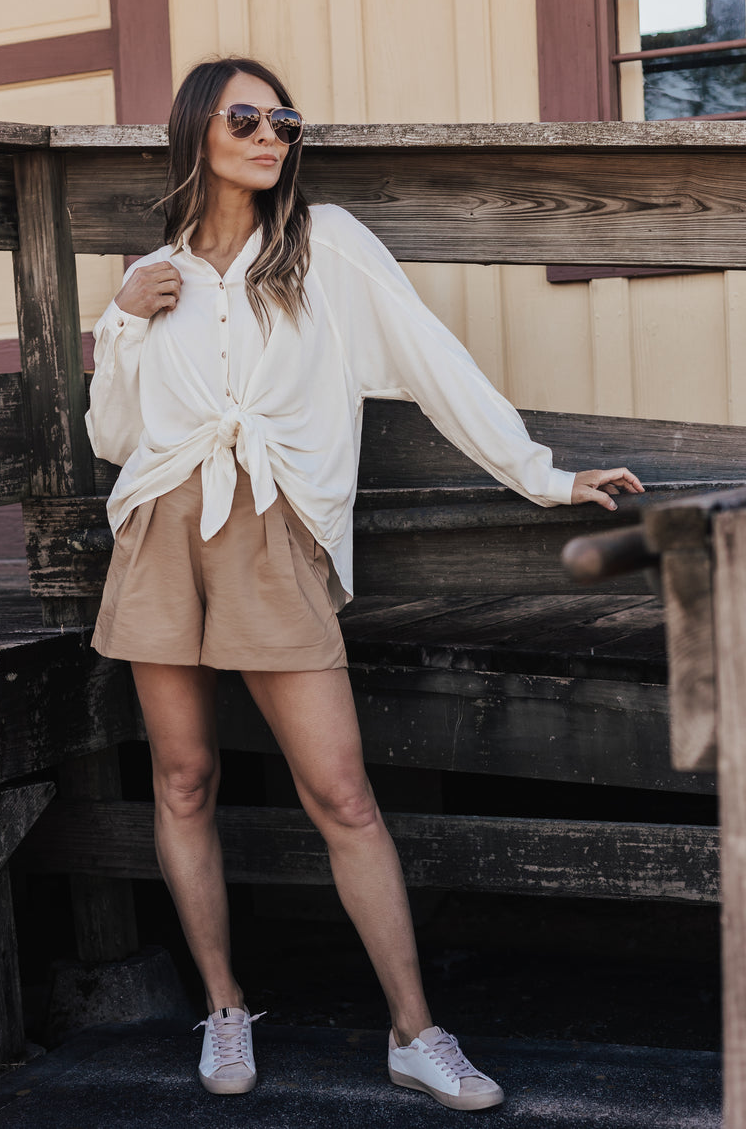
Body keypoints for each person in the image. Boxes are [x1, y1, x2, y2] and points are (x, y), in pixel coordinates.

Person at [85, 56, 644, 1112]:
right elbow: (116, 438)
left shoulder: (325, 244)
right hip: (160, 530)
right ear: (196, 128)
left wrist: (542, 473)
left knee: (342, 794)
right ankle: (222, 1005)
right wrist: (118, 321)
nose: (270, 135)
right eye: (245, 117)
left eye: (284, 121)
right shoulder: (151, 271)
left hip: (275, 533)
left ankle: (414, 1030)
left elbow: (434, 363)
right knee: (183, 780)